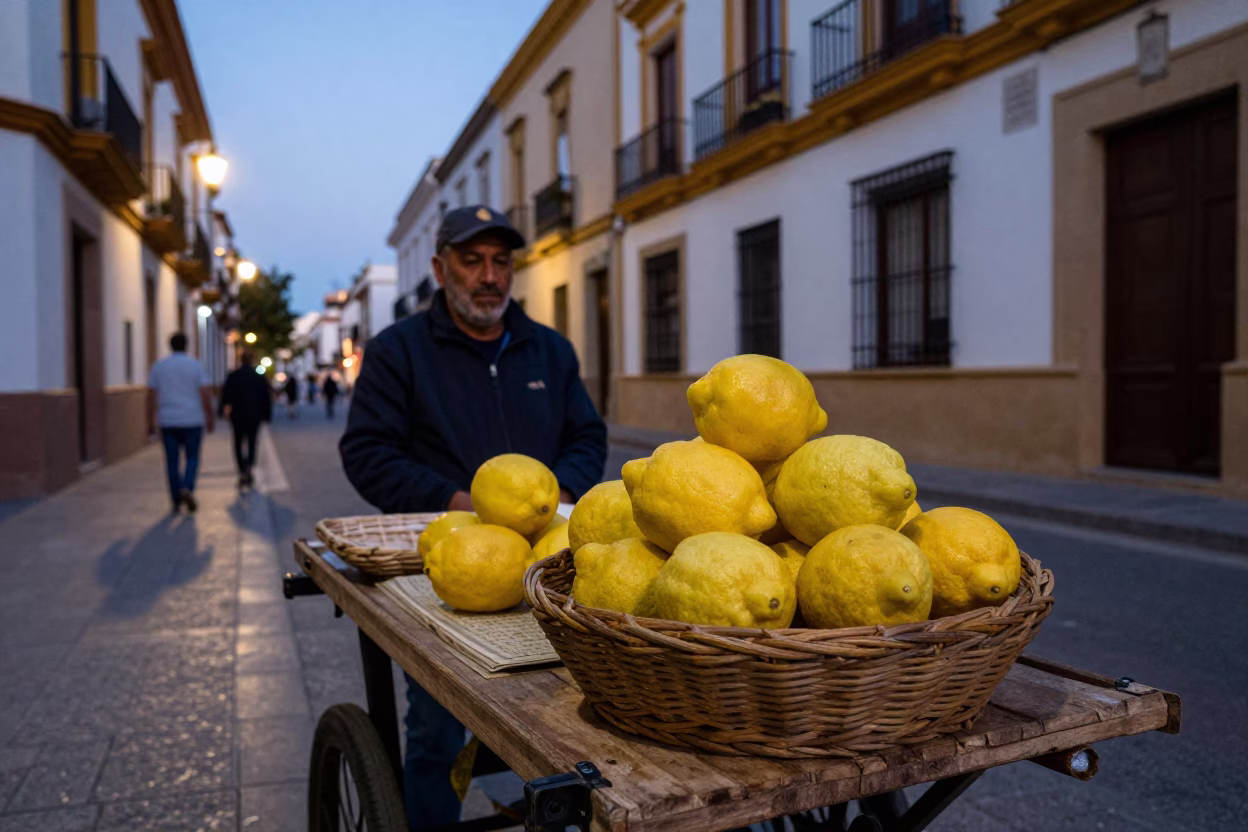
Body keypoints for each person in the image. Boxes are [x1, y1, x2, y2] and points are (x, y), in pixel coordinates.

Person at [339, 204, 606, 830]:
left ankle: (541, 803)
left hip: (548, 566)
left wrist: (555, 500)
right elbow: (367, 453)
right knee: (435, 729)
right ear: (440, 268)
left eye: (500, 262)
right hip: (451, 575)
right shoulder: (397, 352)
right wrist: (463, 503)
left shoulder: (550, 351)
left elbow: (587, 436)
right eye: (471, 260)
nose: (489, 276)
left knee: (565, 720)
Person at [147, 332, 215, 513]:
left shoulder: (159, 367)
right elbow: (205, 393)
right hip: (192, 420)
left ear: (170, 346)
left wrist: (149, 422)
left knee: (171, 461)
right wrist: (210, 417)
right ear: (187, 345)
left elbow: (151, 396)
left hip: (168, 421)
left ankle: (176, 499)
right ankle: (187, 486)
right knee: (192, 457)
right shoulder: (195, 366)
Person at [219, 351, 273, 488]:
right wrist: (267, 415)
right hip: (254, 415)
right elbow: (266, 397)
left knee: (237, 442)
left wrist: (221, 411)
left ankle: (242, 468)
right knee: (252, 442)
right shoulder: (259, 376)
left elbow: (225, 395)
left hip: (237, 415)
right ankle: (249, 465)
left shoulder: (233, 375)